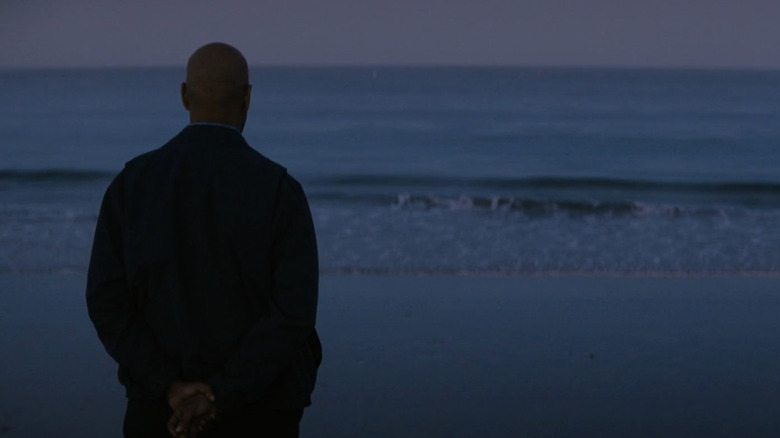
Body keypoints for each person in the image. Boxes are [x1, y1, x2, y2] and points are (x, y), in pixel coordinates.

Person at [86, 42, 321, 438]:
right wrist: (220, 395)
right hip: (261, 412)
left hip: (159, 412)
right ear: (248, 97)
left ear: (183, 95)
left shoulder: (133, 184)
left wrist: (169, 386)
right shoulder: (279, 189)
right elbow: (293, 314)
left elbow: (106, 300)